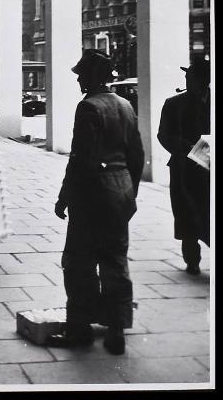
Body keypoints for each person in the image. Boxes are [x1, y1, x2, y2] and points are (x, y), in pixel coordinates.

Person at [52, 49, 144, 355]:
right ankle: (116, 327)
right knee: (115, 259)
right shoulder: (125, 105)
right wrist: (130, 191)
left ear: (92, 76)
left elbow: (82, 159)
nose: (78, 78)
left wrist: (65, 197)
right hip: (120, 191)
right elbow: (137, 155)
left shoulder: (88, 107)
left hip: (93, 195)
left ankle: (79, 328)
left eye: (81, 73)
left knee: (78, 262)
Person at [157, 59, 211, 275]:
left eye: (190, 77)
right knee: (185, 213)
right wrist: (187, 149)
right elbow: (163, 135)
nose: (187, 80)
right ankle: (192, 260)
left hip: (211, 169)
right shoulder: (173, 103)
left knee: (208, 213)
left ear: (203, 80)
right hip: (183, 168)